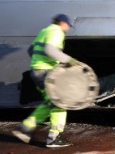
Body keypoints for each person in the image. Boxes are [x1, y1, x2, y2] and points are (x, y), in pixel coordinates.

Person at [12, 14, 78, 148]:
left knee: (50, 102)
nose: (68, 28)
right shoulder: (56, 31)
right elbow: (50, 50)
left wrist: (38, 62)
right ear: (62, 23)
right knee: (60, 102)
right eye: (68, 25)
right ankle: (53, 137)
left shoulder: (44, 30)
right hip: (45, 72)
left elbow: (31, 50)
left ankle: (25, 128)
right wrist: (69, 60)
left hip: (36, 71)